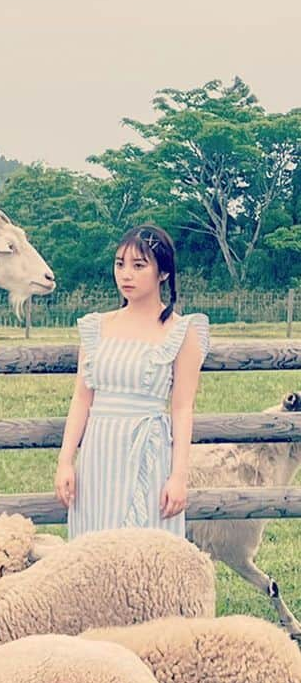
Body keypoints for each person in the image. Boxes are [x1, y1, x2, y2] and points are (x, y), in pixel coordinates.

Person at [54, 224, 210, 538]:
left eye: (139, 266)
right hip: (98, 453)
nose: (126, 274)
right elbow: (82, 398)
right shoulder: (96, 327)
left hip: (148, 454)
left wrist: (178, 476)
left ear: (162, 273)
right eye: (120, 264)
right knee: (93, 548)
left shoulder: (182, 331)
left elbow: (182, 408)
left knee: (145, 550)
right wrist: (65, 461)